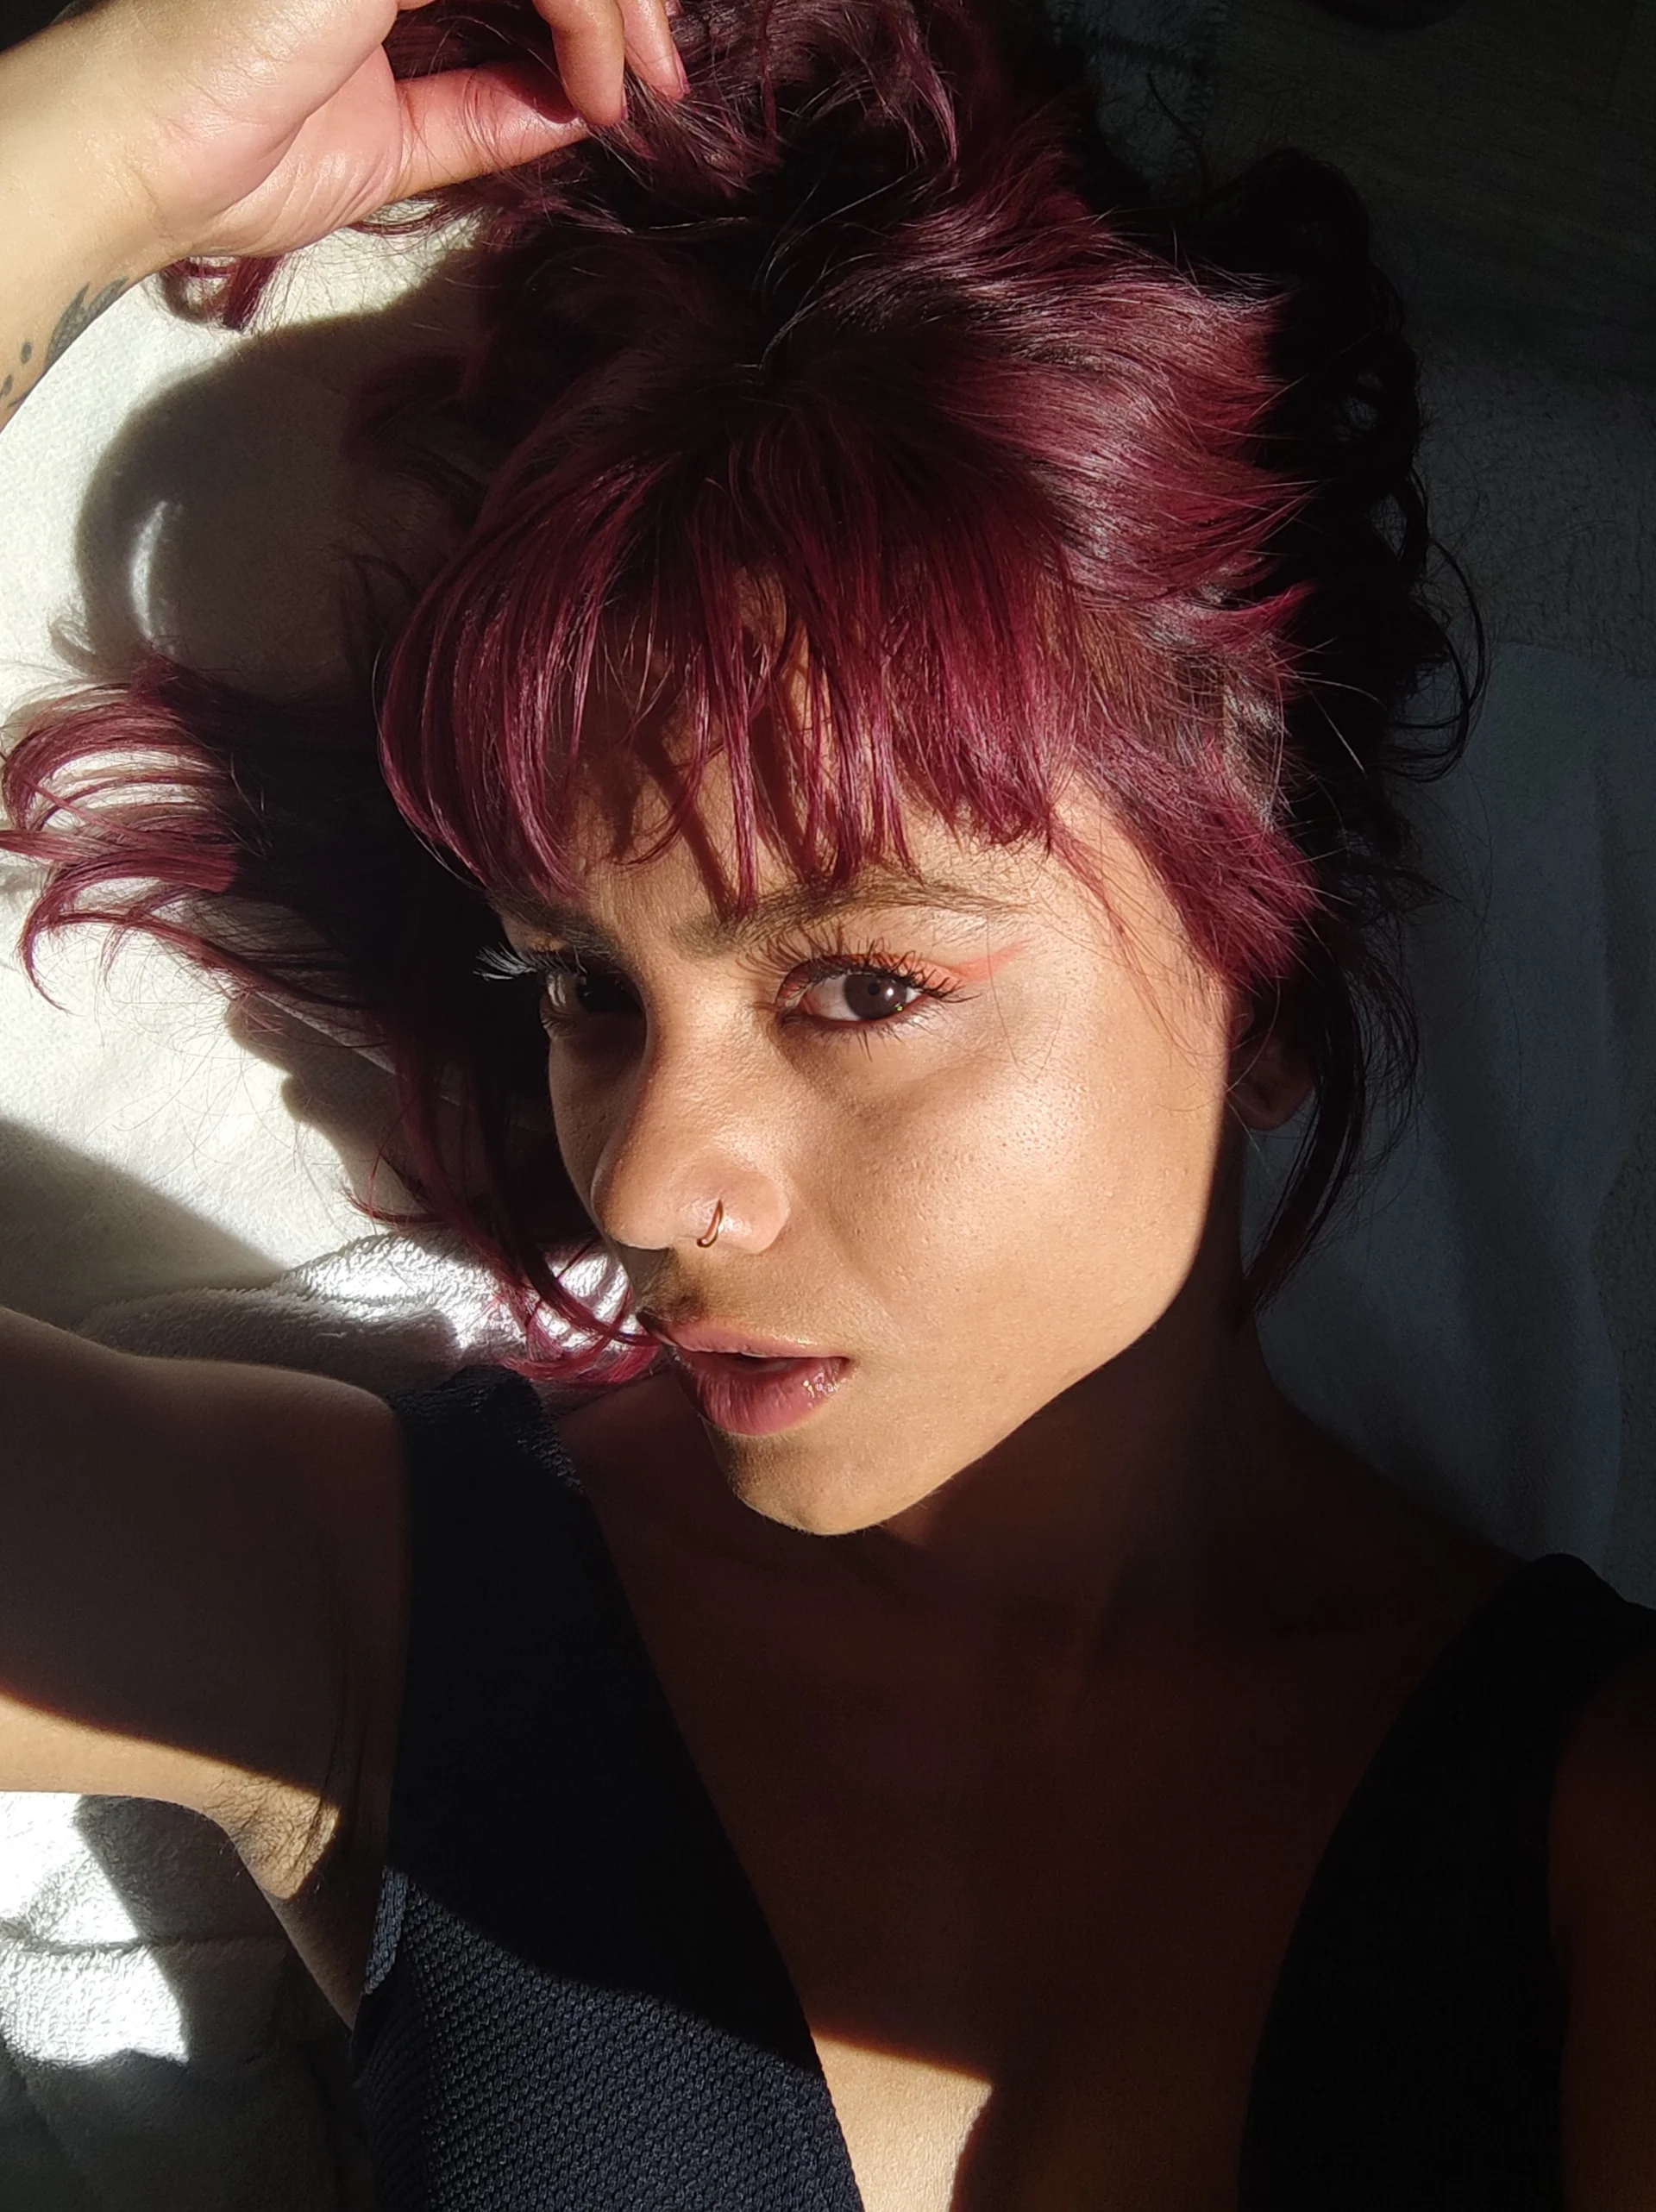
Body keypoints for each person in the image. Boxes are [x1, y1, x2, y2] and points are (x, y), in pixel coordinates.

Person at [1, 1, 1654, 2205]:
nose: (642, 1182)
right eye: (581, 984)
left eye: (865, 984)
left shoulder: (1599, 1826)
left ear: (1261, 968)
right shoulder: (390, 1616)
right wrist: (67, 166)